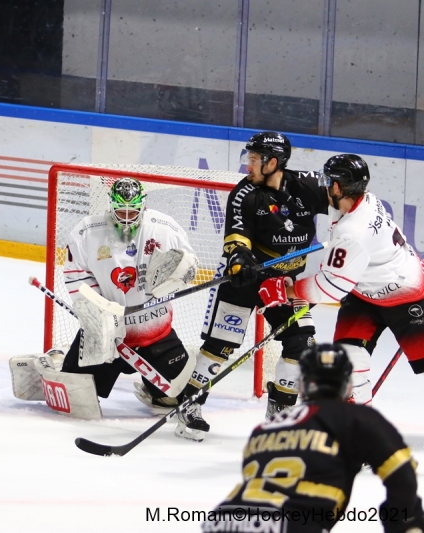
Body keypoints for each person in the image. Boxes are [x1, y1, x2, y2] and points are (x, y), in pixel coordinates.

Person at [180, 131, 330, 436]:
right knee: (221, 346)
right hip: (246, 281)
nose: (247, 165)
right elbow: (236, 236)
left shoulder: (310, 185)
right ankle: (190, 402)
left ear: (273, 162)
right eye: (247, 158)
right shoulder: (244, 193)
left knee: (301, 345)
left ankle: (281, 409)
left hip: (286, 286)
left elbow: (348, 203)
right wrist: (240, 260)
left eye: (253, 159)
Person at [202, 343, 424, 533]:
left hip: (224, 521)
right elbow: (402, 477)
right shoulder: (356, 418)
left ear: (302, 385)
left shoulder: (267, 426)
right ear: (348, 385)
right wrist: (403, 523)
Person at [257, 154, 424, 405]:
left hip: (407, 296)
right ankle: (358, 426)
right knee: (348, 365)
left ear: (337, 187)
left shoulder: (353, 232)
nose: (323, 184)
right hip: (363, 295)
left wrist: (285, 291)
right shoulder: (359, 200)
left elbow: (330, 287)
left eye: (328, 180)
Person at [58, 176, 200, 436]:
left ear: (143, 207)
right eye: (120, 212)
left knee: (173, 401)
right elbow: (75, 275)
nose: (126, 219)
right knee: (74, 399)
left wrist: (171, 279)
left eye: (132, 212)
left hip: (153, 330)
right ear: (110, 206)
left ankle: (153, 385)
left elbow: (189, 266)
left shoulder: (164, 227)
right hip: (103, 334)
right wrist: (99, 312)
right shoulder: (86, 231)